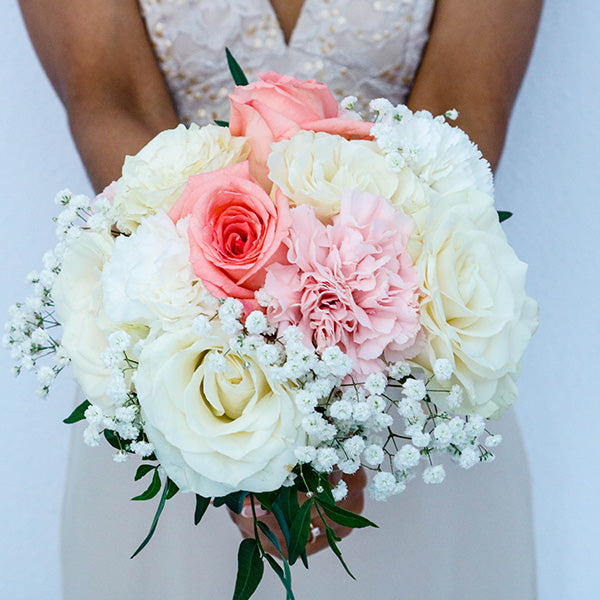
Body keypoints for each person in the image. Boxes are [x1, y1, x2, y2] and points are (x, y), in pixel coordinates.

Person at [18, 0, 543, 598]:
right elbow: (112, 97)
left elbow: (465, 98)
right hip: (182, 376)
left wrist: (347, 394)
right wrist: (240, 385)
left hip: (407, 381)